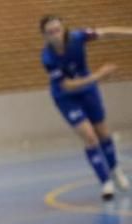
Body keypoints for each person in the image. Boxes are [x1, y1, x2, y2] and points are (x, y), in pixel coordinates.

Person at [40, 15, 132, 200]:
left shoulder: (77, 37)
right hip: (66, 97)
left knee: (103, 133)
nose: (55, 35)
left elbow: (104, 32)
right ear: (45, 36)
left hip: (88, 91)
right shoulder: (48, 57)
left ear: (63, 29)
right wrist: (98, 76)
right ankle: (105, 182)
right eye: (50, 33)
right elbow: (67, 85)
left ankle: (115, 169)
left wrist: (128, 32)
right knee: (90, 137)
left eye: (57, 30)